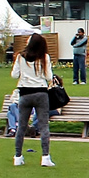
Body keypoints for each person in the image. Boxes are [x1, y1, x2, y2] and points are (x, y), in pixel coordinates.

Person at [10, 33, 55, 167]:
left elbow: (14, 75)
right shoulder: (44, 57)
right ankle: (45, 157)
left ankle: (18, 156)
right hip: (40, 93)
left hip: (25, 93)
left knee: (22, 126)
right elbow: (48, 77)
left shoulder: (20, 57)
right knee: (44, 126)